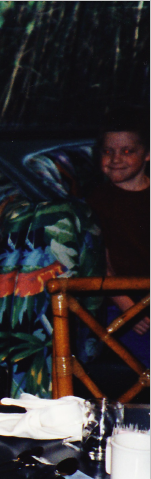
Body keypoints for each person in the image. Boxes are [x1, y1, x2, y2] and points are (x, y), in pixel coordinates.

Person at [85, 109, 150, 363]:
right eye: (107, 151)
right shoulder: (96, 202)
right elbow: (101, 263)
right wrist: (128, 308)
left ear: (147, 154)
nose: (115, 159)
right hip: (122, 305)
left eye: (127, 151)